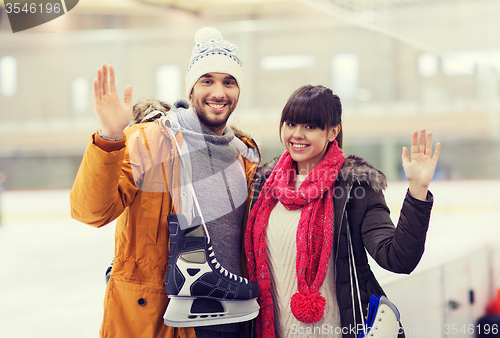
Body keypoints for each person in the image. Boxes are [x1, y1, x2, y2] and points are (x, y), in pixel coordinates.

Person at [70, 27, 260, 338]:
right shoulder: (151, 139)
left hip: (235, 316)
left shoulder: (243, 154)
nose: (218, 92)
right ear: (191, 89)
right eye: (207, 81)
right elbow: (91, 211)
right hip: (164, 320)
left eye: (229, 82)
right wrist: (109, 137)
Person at [245, 85, 441, 338]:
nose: (297, 134)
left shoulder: (355, 187)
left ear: (332, 132)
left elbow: (398, 258)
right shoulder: (264, 186)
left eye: (310, 127)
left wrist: (418, 189)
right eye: (291, 124)